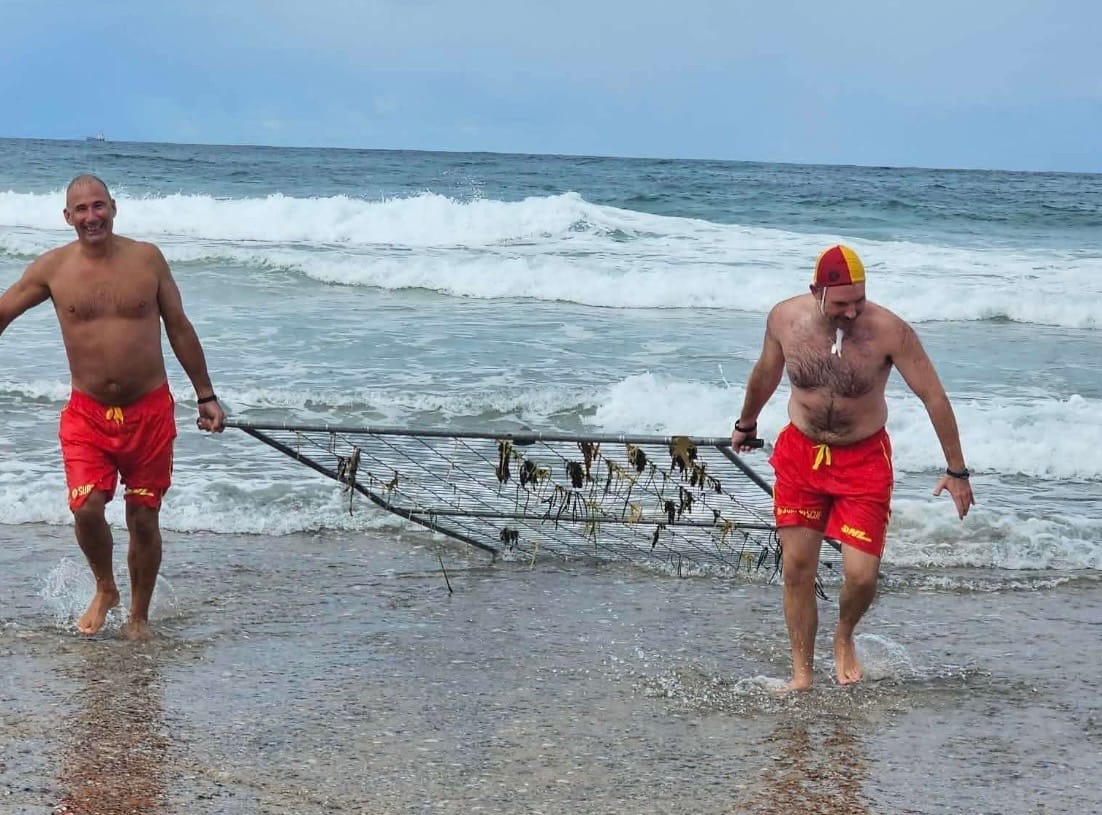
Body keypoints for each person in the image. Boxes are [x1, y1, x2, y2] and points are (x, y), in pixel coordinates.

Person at [730, 244, 974, 691]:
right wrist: (746, 422)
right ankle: (802, 675)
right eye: (842, 303)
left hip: (863, 460)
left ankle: (844, 635)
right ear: (816, 291)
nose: (852, 311)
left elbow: (934, 396)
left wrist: (957, 470)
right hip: (802, 454)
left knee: (862, 577)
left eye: (859, 300)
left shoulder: (889, 331)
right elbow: (765, 372)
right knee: (797, 569)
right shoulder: (784, 319)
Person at [0, 174, 225, 640]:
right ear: (67, 218)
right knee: (87, 507)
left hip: (149, 412)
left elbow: (179, 327)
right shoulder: (52, 269)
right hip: (88, 414)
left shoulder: (147, 260)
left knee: (144, 517)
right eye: (80, 210)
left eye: (97, 206)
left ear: (114, 208)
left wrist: (205, 395)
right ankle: (105, 588)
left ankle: (138, 618)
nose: (90, 216)